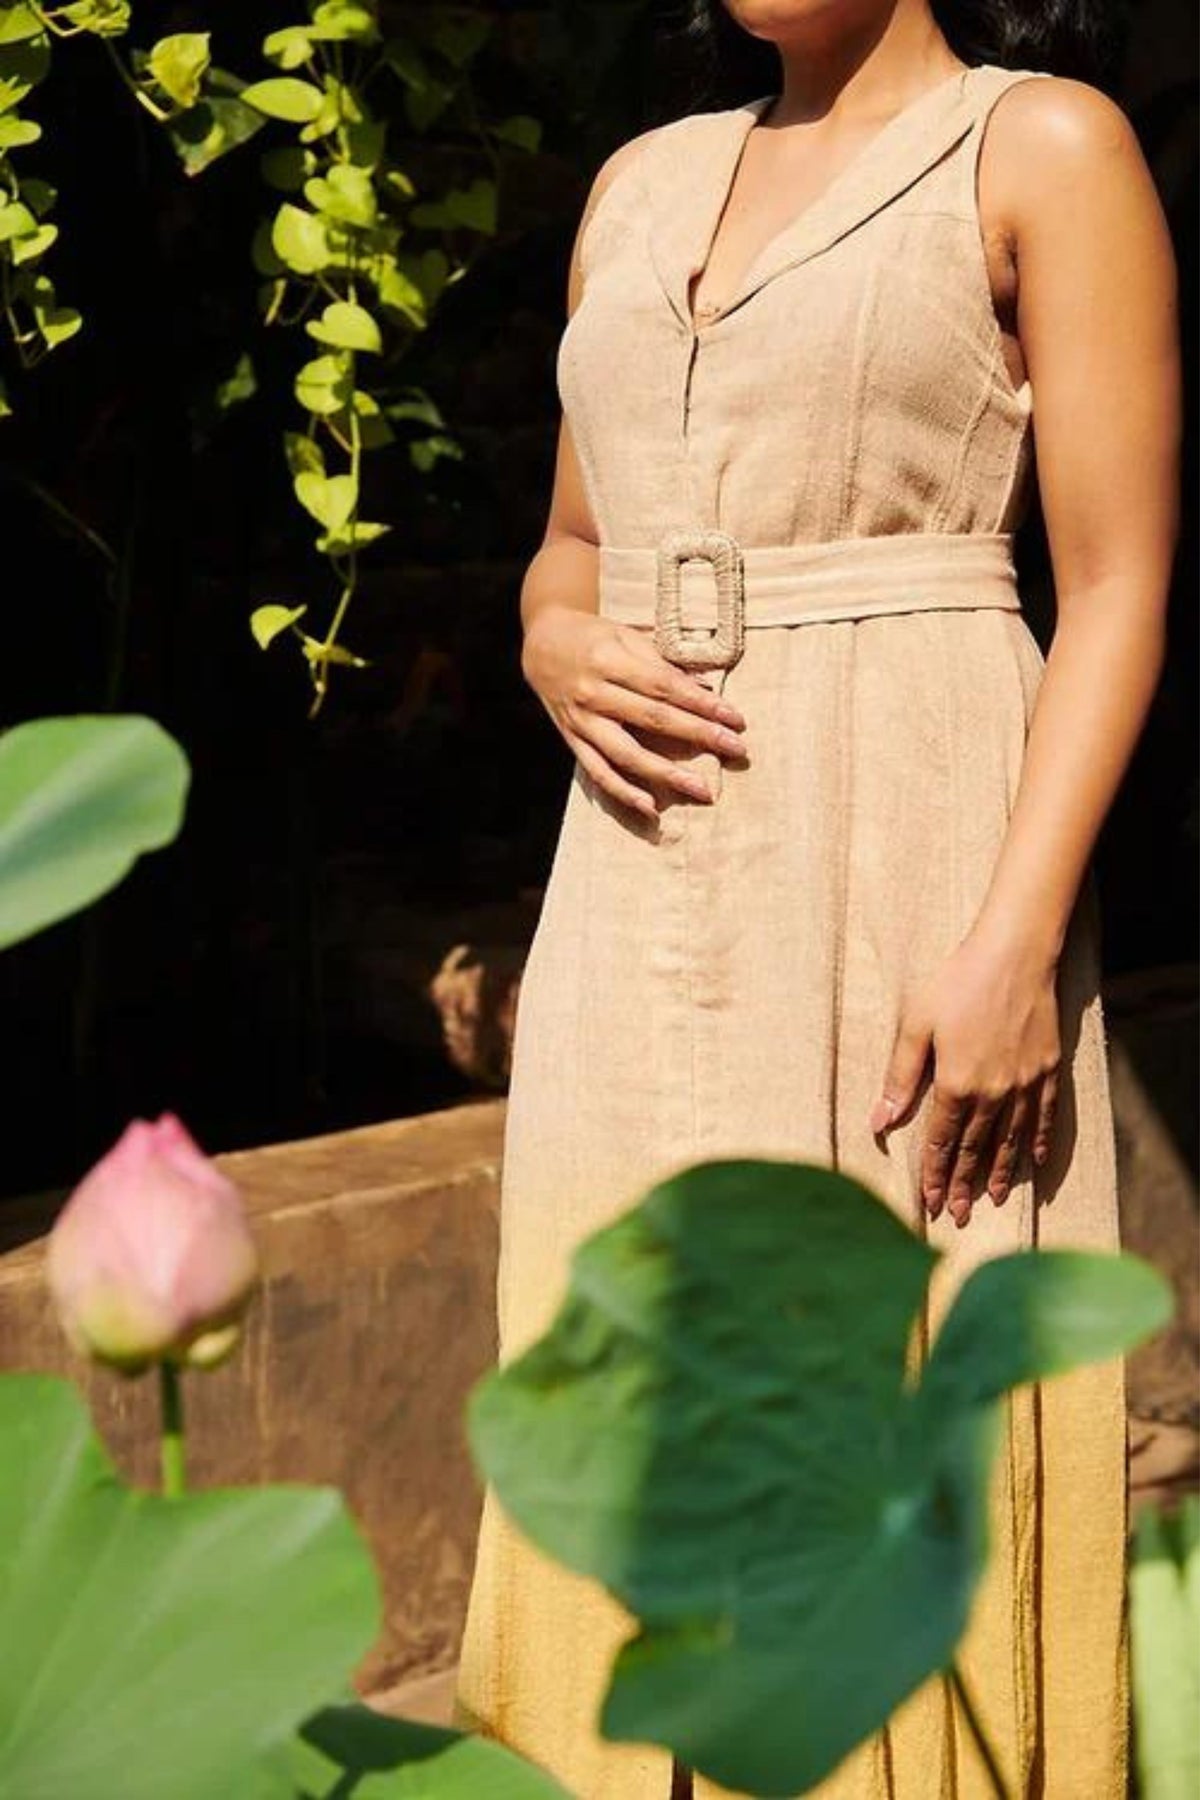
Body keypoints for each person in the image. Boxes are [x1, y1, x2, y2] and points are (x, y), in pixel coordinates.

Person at [453, 0, 1181, 1793]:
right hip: (633, 886)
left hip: (914, 857)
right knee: (608, 1370)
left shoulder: (1046, 145)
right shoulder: (637, 185)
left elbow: (1117, 588)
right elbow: (571, 547)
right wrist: (552, 637)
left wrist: (1016, 940)